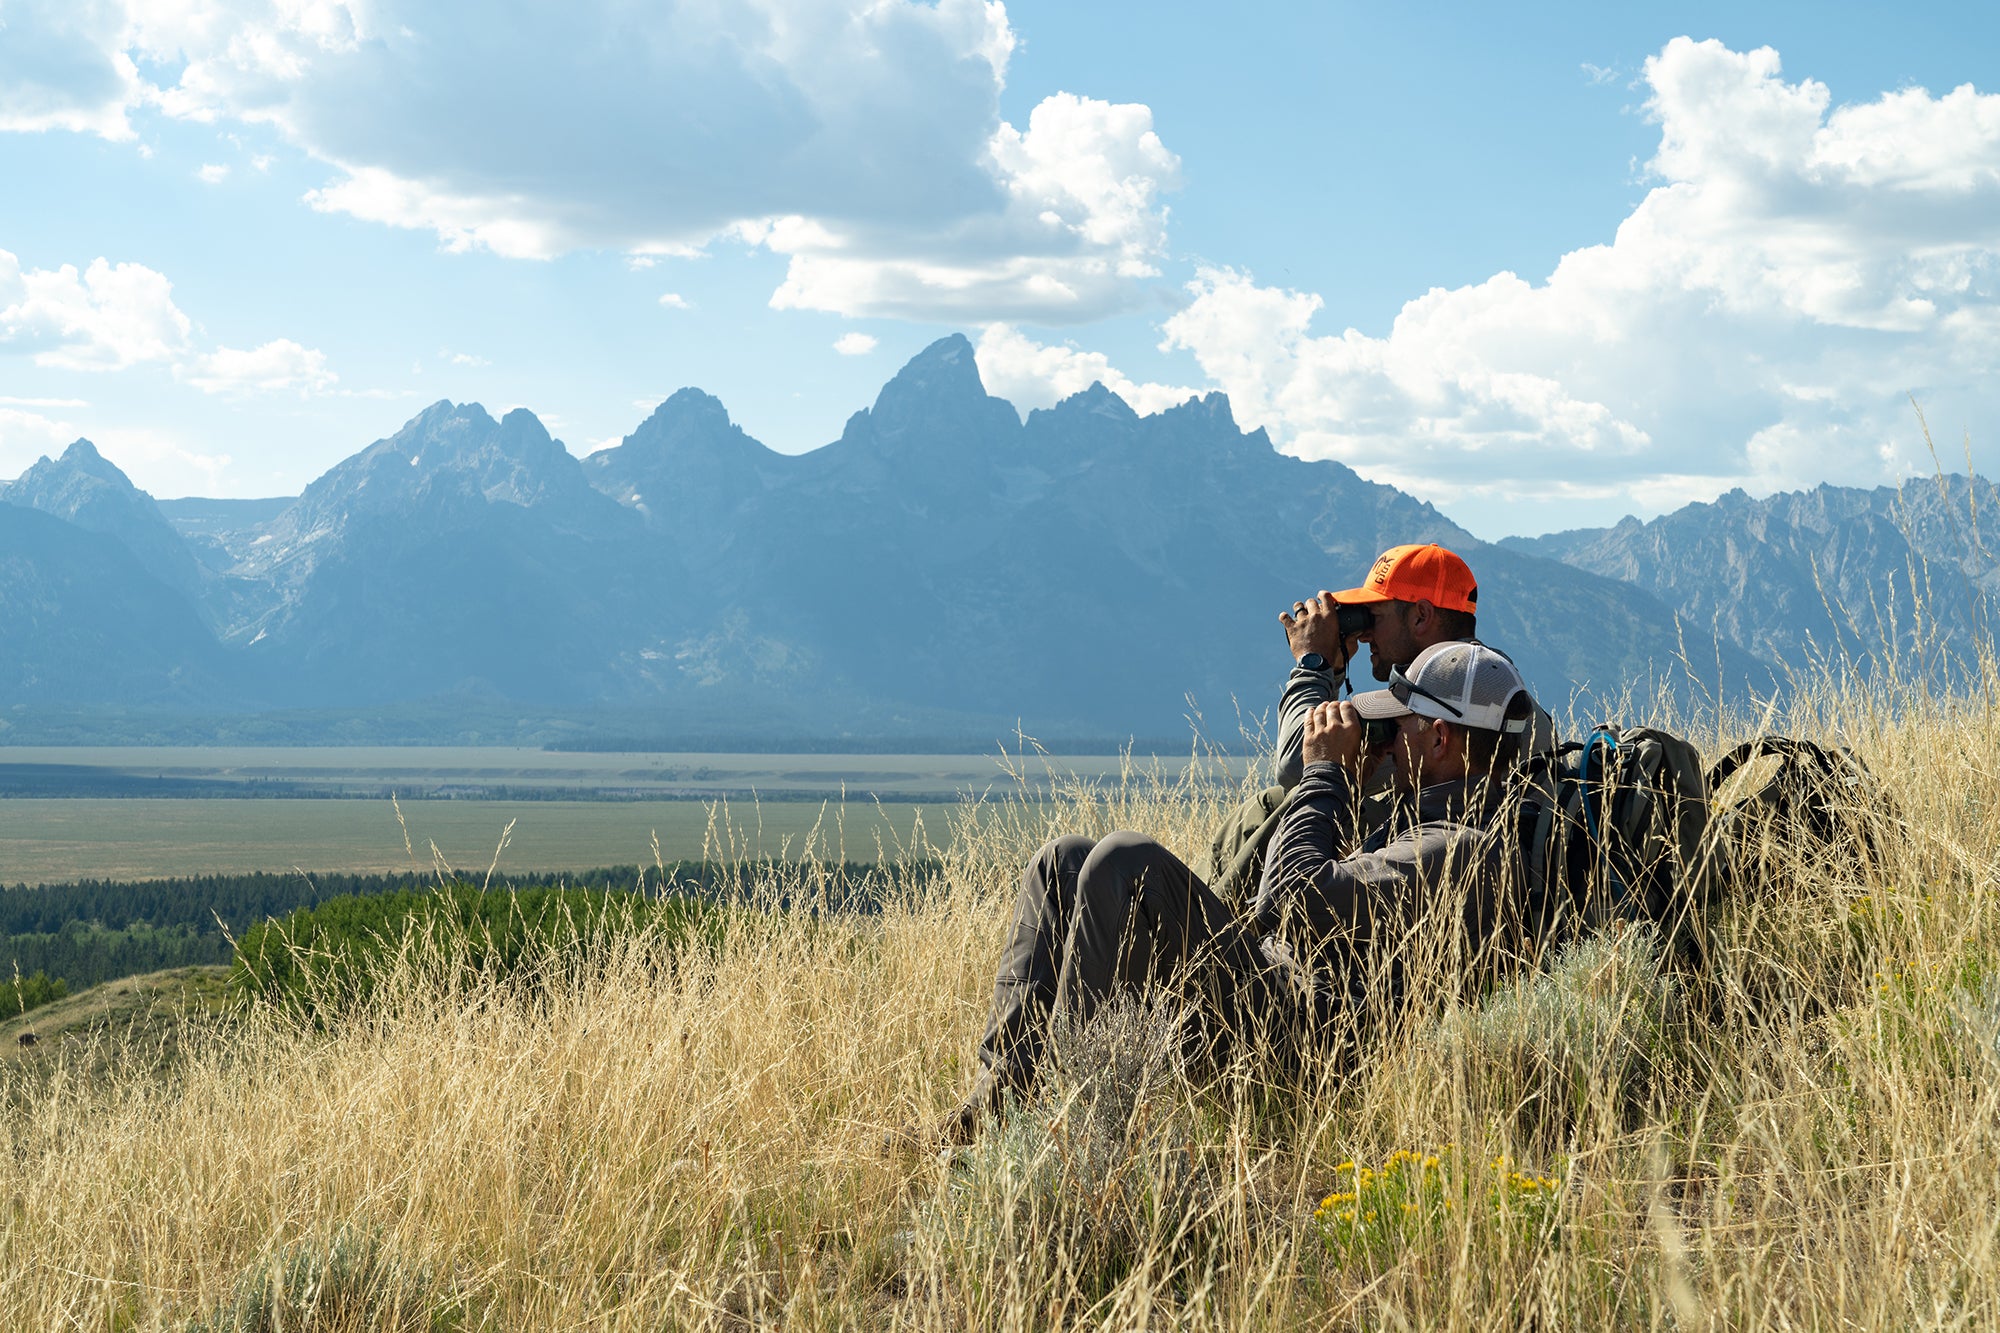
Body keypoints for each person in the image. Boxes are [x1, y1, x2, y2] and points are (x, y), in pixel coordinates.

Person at [914, 641, 1536, 1148]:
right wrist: (1345, 778)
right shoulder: (1412, 809)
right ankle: (997, 1104)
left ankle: (1073, 1138)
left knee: (1126, 861)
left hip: (1304, 1050)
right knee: (1064, 862)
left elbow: (1289, 900)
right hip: (1274, 996)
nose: (1388, 738)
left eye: (1401, 725)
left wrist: (1323, 775)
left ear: (1440, 741)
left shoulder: (1463, 847)